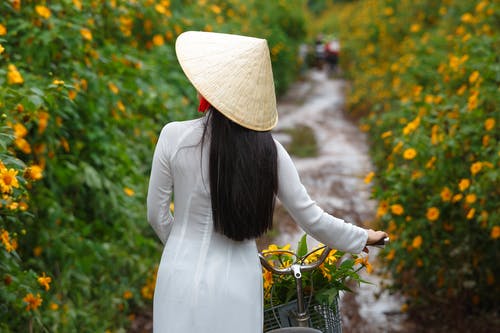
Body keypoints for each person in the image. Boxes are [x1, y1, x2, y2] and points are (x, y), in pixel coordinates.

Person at [147, 31, 387, 333]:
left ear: (209, 90)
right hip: (238, 283)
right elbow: (311, 217)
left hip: (178, 275)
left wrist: (185, 247)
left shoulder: (173, 136)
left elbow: (156, 215)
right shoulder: (269, 151)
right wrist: (362, 236)